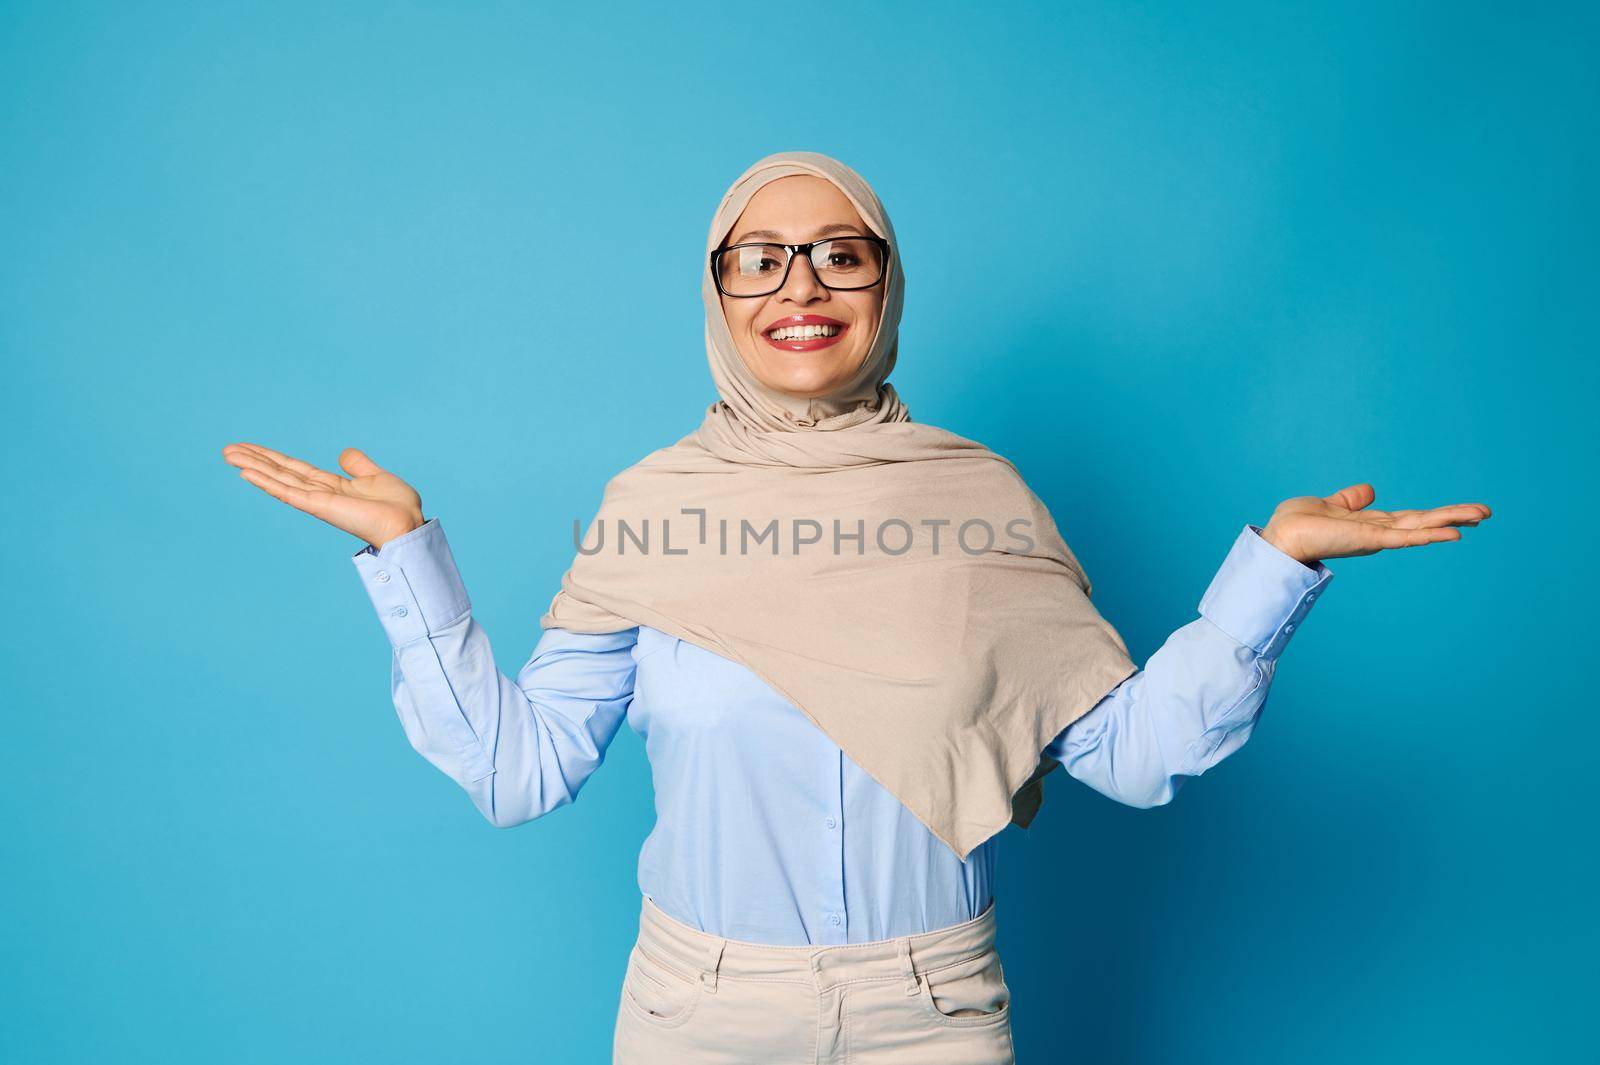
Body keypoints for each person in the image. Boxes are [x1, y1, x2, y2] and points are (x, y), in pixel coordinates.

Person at [221, 150, 1490, 1064]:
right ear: (717, 293)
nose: (800, 285)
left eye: (841, 253)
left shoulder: (978, 499)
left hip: (934, 1010)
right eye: (759, 258)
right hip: (695, 1014)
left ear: (884, 287)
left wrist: (1274, 567)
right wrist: (405, 558)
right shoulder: (653, 507)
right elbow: (520, 771)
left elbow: (1136, 752)